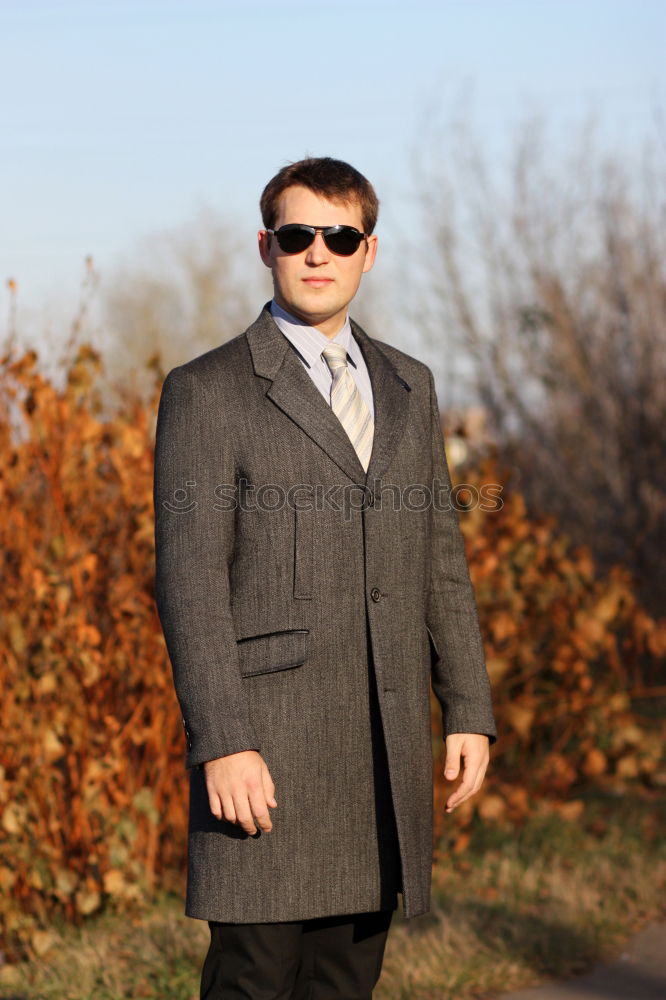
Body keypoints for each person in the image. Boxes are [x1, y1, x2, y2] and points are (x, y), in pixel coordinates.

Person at [153, 156, 498, 1000]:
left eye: (339, 236)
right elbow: (189, 579)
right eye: (298, 234)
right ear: (266, 245)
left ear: (368, 251)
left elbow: (439, 564)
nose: (318, 253)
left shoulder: (409, 386)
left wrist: (468, 708)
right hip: (265, 746)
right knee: (256, 978)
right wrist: (222, 740)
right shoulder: (209, 391)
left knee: (346, 981)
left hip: (379, 744)